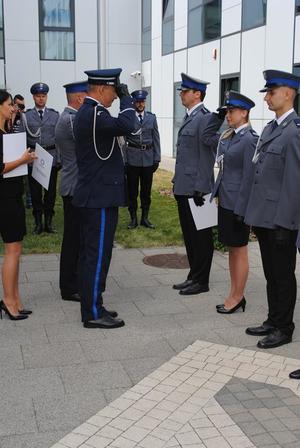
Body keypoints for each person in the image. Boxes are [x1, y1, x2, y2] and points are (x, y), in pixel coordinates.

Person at [72, 68, 136, 329]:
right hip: (97, 196)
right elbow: (128, 125)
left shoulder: (92, 113)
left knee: (96, 254)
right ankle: (93, 313)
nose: (114, 95)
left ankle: (93, 303)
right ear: (101, 89)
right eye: (113, 90)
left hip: (98, 193)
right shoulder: (94, 113)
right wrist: (128, 100)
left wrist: (121, 99)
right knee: (96, 255)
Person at [244, 70, 300, 349]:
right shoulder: (271, 129)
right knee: (270, 273)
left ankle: (284, 327)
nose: (266, 97)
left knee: (283, 274)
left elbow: (294, 182)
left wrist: (285, 223)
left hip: (281, 220)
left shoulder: (294, 132)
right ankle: (272, 319)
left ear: (288, 93)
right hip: (265, 216)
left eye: (271, 92)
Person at [172, 73, 224, 296]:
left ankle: (202, 280)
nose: (181, 95)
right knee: (190, 235)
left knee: (201, 237)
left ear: (197, 94)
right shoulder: (190, 116)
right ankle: (193, 275)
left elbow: (209, 151)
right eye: (181, 91)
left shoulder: (206, 117)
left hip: (198, 188)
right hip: (184, 186)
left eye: (185, 91)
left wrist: (202, 186)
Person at [210, 91, 258, 314]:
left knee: (239, 250)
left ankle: (238, 296)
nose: (228, 115)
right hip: (226, 201)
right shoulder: (230, 135)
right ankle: (234, 293)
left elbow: (250, 177)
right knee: (232, 250)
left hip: (237, 204)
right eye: (227, 111)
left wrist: (243, 208)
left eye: (231, 111)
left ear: (244, 113)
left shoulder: (249, 139)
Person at [0, 90, 37, 321]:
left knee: (16, 249)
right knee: (11, 250)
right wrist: (22, 160)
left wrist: (26, 158)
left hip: (13, 196)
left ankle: (15, 299)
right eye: (8, 104)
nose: (13, 108)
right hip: (4, 199)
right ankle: (8, 301)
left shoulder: (7, 131)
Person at [55, 81, 88, 302]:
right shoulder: (71, 120)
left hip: (73, 184)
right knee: (73, 240)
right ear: (79, 99)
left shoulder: (66, 117)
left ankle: (71, 283)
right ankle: (69, 286)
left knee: (74, 238)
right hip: (74, 186)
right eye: (87, 97)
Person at [20, 82, 59, 234]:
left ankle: (48, 222)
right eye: (38, 96)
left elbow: (59, 138)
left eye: (43, 96)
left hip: (51, 156)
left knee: (50, 193)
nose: (41, 99)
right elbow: (23, 139)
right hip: (34, 157)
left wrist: (59, 159)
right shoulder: (26, 116)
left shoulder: (55, 115)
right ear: (33, 97)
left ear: (47, 97)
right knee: (36, 193)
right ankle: (38, 223)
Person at [124, 89, 161, 229]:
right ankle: (133, 219)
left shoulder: (151, 117)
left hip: (148, 159)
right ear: (134, 102)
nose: (140, 104)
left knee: (146, 191)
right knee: (132, 191)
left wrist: (156, 158)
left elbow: (156, 138)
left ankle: (145, 218)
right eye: (138, 101)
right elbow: (123, 140)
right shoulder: (128, 117)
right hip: (132, 159)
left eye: (142, 101)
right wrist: (124, 160)